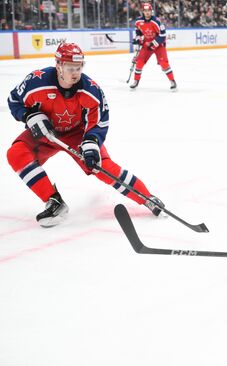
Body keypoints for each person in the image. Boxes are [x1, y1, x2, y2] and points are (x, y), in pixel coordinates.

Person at [7, 42, 164, 227]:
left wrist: (91, 142)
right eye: (70, 68)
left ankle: (146, 197)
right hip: (46, 133)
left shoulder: (90, 90)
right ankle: (54, 201)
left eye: (79, 67)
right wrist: (28, 115)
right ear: (58, 65)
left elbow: (99, 121)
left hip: (78, 134)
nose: (75, 73)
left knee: (101, 166)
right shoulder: (36, 82)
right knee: (16, 153)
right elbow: (14, 100)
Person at [130, 3, 177, 91]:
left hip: (159, 45)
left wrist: (153, 43)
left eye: (149, 11)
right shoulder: (138, 22)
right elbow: (138, 33)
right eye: (145, 11)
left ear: (151, 11)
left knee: (164, 63)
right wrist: (138, 39)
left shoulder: (157, 21)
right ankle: (136, 81)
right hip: (147, 44)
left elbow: (163, 35)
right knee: (139, 62)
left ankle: (172, 81)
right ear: (143, 12)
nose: (147, 13)